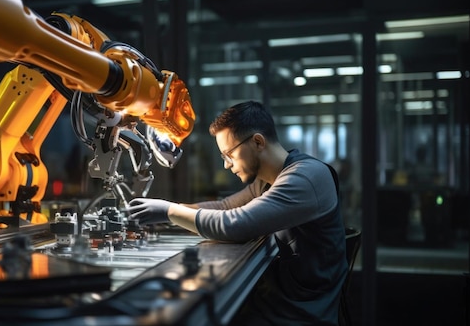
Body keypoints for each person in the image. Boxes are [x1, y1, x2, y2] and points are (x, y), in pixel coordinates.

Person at [128, 100, 348, 325]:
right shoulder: (268, 181)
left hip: (300, 313)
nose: (226, 165)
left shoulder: (307, 177)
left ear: (258, 142)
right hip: (278, 301)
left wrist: (169, 211)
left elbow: (235, 223)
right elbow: (225, 207)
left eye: (229, 154)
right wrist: (163, 213)